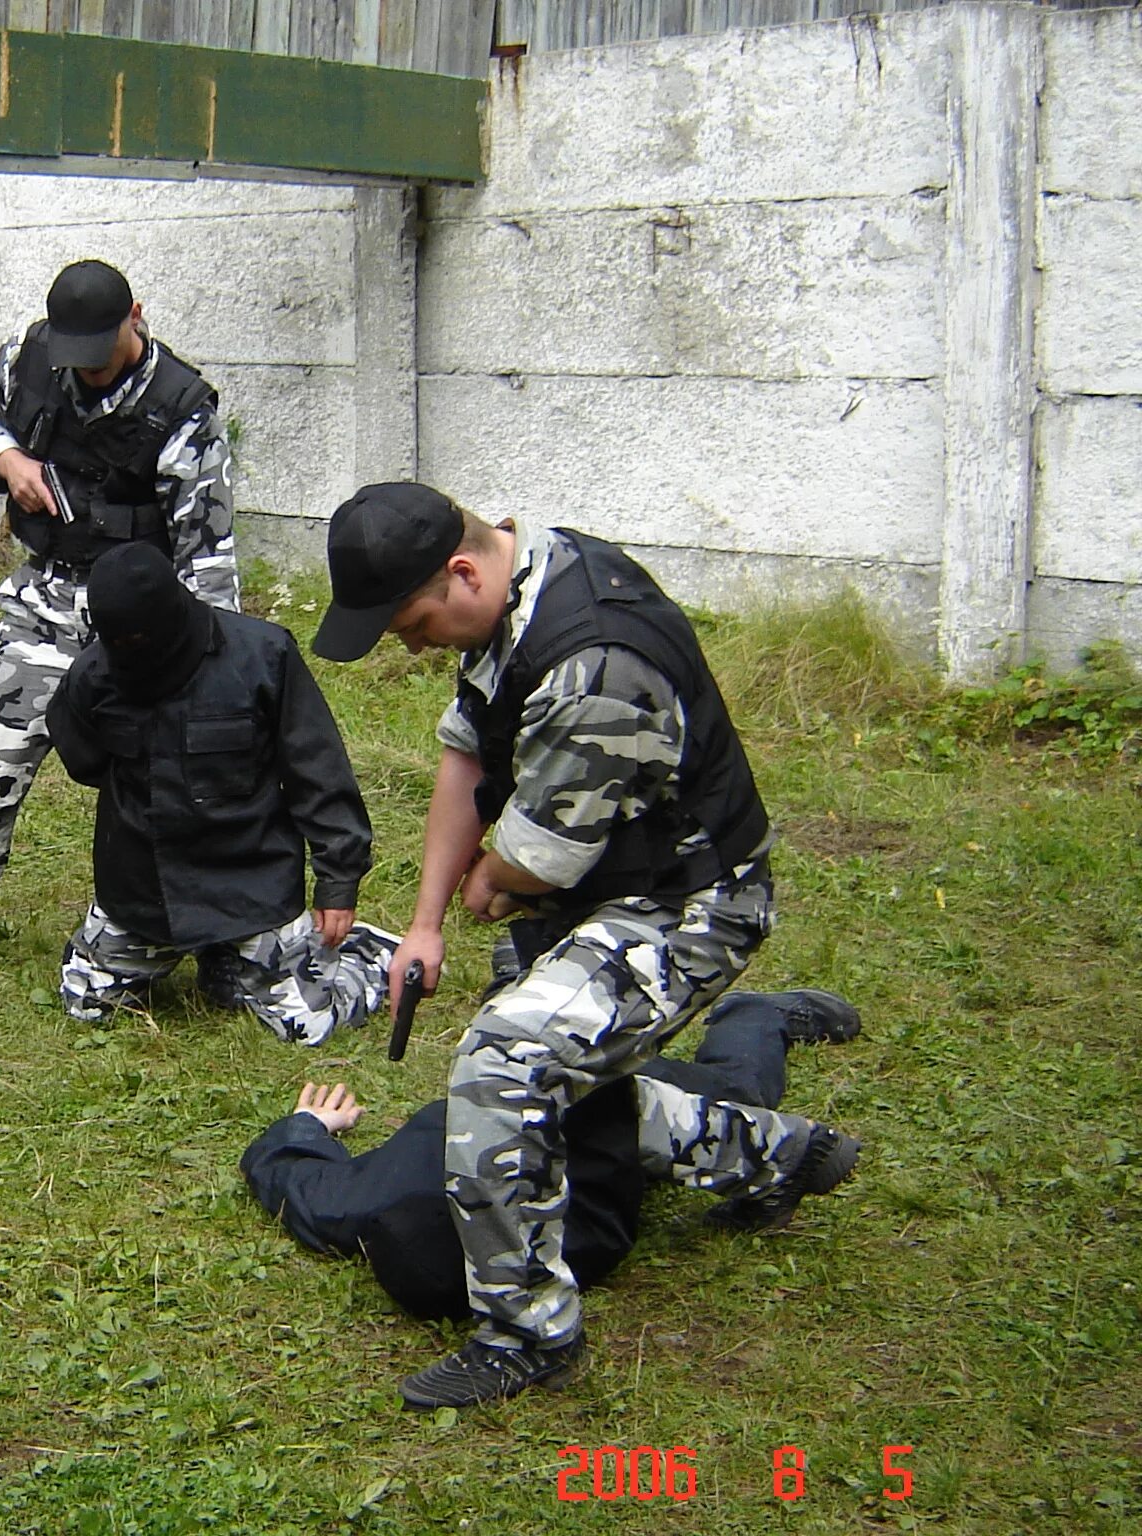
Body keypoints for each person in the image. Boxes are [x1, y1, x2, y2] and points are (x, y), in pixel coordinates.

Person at [309, 481, 860, 1410]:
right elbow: (467, 757)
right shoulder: (518, 590)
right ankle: (776, 1155)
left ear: (462, 569)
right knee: (561, 1081)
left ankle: (526, 1333)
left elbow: (531, 860)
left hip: (690, 905)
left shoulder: (594, 660)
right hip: (609, 883)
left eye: (410, 623)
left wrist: (485, 884)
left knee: (506, 1064)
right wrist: (426, 922)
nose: (410, 645)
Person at [0, 259, 242, 1002]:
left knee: (175, 789)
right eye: (71, 358)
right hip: (44, 603)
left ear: (134, 317)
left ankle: (213, 936)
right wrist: (7, 459)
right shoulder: (32, 358)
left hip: (144, 628)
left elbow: (208, 560)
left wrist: (215, 675)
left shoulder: (182, 410)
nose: (83, 375)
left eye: (98, 358)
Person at [240, 989, 863, 1321]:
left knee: (737, 1100)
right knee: (705, 1121)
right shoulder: (364, 1207)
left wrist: (308, 1125)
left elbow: (280, 1172)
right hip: (547, 1109)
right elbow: (281, 1171)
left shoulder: (360, 1207)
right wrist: (307, 1125)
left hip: (563, 1099)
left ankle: (755, 1014)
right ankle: (534, 981)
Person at [45, 543, 389, 1041]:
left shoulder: (263, 655)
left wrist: (339, 882)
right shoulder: (95, 675)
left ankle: (368, 952)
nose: (130, 648)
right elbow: (84, 758)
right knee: (86, 1005)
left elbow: (318, 770)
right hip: (143, 893)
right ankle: (213, 960)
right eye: (118, 639)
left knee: (304, 1026)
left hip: (250, 884)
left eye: (141, 635)